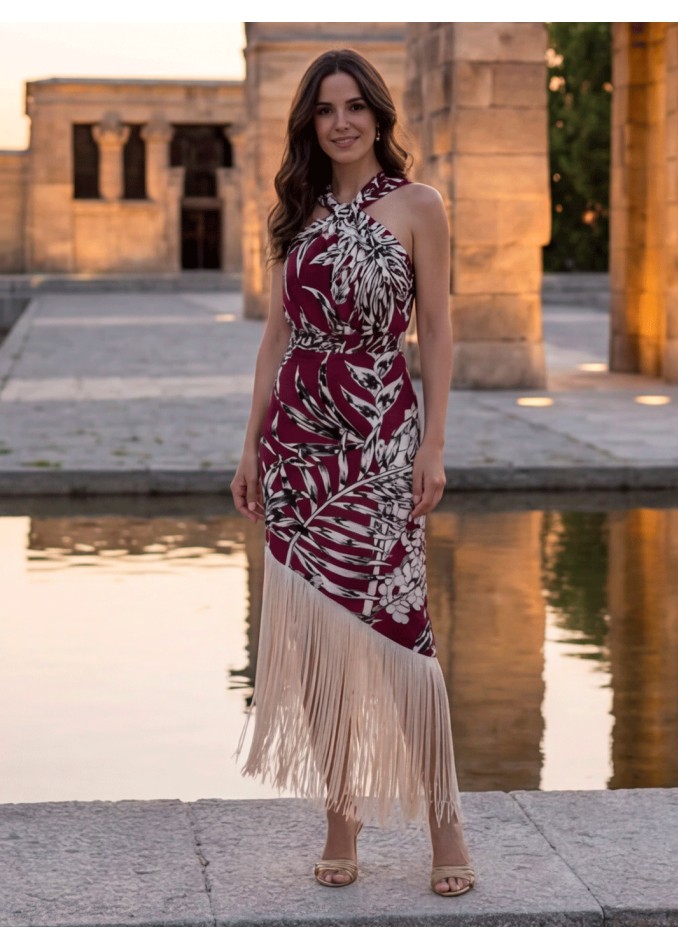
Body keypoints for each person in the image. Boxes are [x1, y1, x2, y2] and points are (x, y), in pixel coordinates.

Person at [231, 48, 475, 897]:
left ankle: (447, 827)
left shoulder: (418, 206)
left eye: (354, 106)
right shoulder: (293, 212)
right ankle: (342, 820)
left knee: (403, 633)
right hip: (296, 445)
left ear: (377, 114)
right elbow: (274, 338)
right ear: (309, 123)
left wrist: (433, 445)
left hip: (377, 439)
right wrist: (250, 445)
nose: (340, 121)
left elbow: (437, 332)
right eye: (325, 109)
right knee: (319, 646)